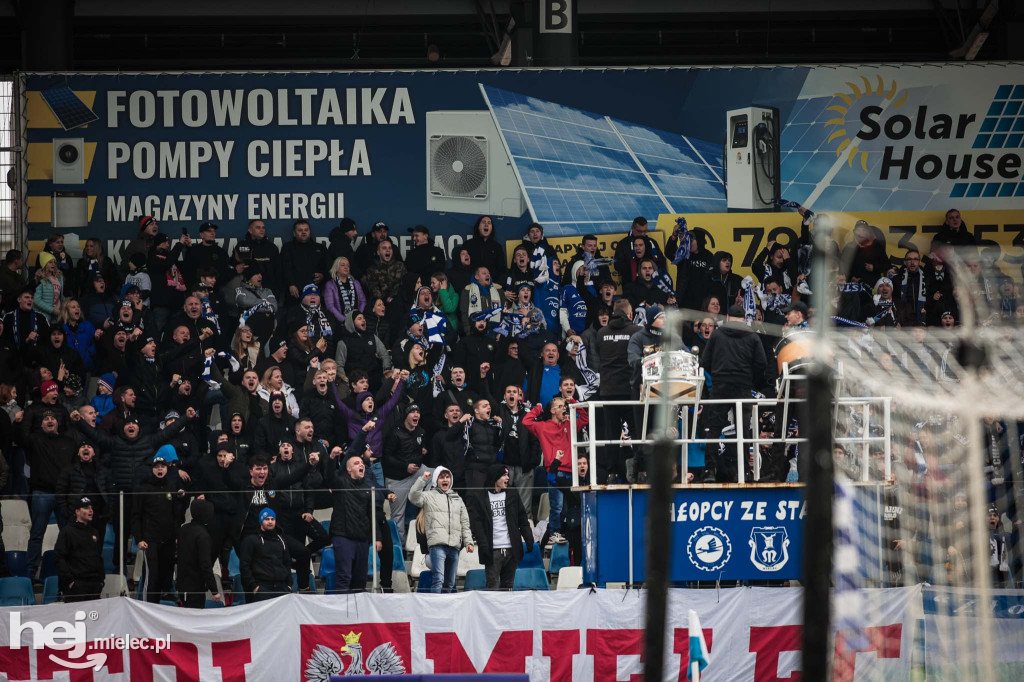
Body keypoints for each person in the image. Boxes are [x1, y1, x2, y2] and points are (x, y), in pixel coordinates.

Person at [699, 304, 768, 482]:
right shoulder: (752, 336)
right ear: (745, 319)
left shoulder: (717, 334)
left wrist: (718, 374)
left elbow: (704, 361)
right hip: (742, 388)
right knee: (743, 432)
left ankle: (709, 472)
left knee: (714, 430)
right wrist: (750, 379)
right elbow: (761, 364)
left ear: (728, 317)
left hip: (720, 387)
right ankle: (743, 471)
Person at [322, 427, 389, 594]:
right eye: (356, 463)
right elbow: (329, 476)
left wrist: (377, 538)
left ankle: (358, 618)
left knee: (360, 580)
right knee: (344, 577)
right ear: (348, 469)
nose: (361, 465)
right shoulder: (340, 482)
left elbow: (372, 514)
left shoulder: (368, 487)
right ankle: (342, 618)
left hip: (362, 539)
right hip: (343, 537)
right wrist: (331, 458)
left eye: (361, 463)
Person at [523, 396, 588, 546]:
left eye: (564, 406)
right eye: (560, 406)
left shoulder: (570, 424)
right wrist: (538, 409)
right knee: (557, 506)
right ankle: (553, 533)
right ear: (552, 411)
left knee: (569, 507)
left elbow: (585, 418)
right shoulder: (543, 426)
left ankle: (562, 532)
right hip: (555, 470)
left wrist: (573, 403)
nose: (564, 408)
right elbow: (526, 421)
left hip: (572, 472)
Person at [133, 446, 189, 603]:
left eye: (162, 466)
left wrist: (182, 498)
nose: (159, 469)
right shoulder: (143, 489)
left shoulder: (171, 488)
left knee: (165, 575)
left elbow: (177, 514)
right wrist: (139, 538)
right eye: (156, 467)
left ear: (166, 468)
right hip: (150, 540)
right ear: (152, 469)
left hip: (168, 540)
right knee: (152, 576)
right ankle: (148, 609)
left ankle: (158, 611)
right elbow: (136, 515)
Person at [466, 464, 534, 590]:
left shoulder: (512, 494)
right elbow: (477, 525)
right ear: (495, 477)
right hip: (492, 551)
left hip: (511, 550)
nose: (507, 478)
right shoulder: (481, 497)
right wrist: (484, 546)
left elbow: (522, 519)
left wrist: (529, 538)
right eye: (504, 475)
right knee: (492, 588)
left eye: (508, 475)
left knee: (508, 588)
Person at [408, 466, 475, 593]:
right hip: (437, 545)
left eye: (447, 477)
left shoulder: (457, 498)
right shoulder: (428, 496)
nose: (445, 480)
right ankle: (436, 609)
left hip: (454, 546)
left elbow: (464, 523)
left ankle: (446, 609)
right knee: (438, 579)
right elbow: (413, 497)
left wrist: (468, 542)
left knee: (450, 582)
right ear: (436, 480)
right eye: (442, 477)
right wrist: (422, 480)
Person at [383, 403, 427, 538]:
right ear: (406, 416)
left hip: (415, 473)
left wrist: (422, 453)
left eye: (418, 412)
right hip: (397, 478)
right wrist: (405, 466)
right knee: (397, 515)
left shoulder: (420, 431)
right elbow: (386, 457)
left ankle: (427, 501)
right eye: (412, 412)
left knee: (438, 474)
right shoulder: (395, 432)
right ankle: (398, 547)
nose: (416, 415)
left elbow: (417, 451)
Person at [54, 496, 105, 602]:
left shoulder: (94, 532)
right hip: (77, 585)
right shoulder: (67, 531)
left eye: (91, 508)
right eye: (86, 508)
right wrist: (70, 581)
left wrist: (101, 579)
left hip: (94, 584)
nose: (90, 510)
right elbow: (59, 557)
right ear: (77, 511)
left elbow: (98, 557)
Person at [238, 508, 292, 602]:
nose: (270, 522)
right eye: (267, 519)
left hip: (282, 588)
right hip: (262, 589)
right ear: (261, 521)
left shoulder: (281, 540)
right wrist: (254, 587)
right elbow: (244, 565)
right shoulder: (251, 540)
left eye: (272, 519)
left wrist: (289, 584)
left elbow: (287, 563)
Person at [177, 498, 221, 608]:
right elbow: (205, 564)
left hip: (183, 585)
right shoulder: (203, 535)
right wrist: (214, 590)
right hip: (194, 587)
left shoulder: (183, 529)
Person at [280, 220, 329, 305]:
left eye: (306, 230)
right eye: (300, 230)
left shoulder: (320, 248)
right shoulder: (287, 248)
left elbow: (327, 267)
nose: (303, 232)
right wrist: (290, 284)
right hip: (295, 291)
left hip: (316, 291)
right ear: (294, 233)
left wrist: (323, 275)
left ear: (310, 232)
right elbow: (285, 268)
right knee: (294, 316)